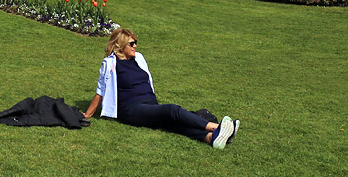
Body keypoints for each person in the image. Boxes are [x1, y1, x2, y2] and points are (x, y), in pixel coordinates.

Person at [82, 27, 240, 149]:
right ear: (120, 46)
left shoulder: (138, 59)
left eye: (135, 42)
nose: (135, 46)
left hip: (149, 104)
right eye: (131, 43)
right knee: (172, 110)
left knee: (171, 122)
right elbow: (100, 90)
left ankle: (210, 138)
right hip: (131, 109)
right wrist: (87, 114)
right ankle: (219, 128)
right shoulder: (110, 64)